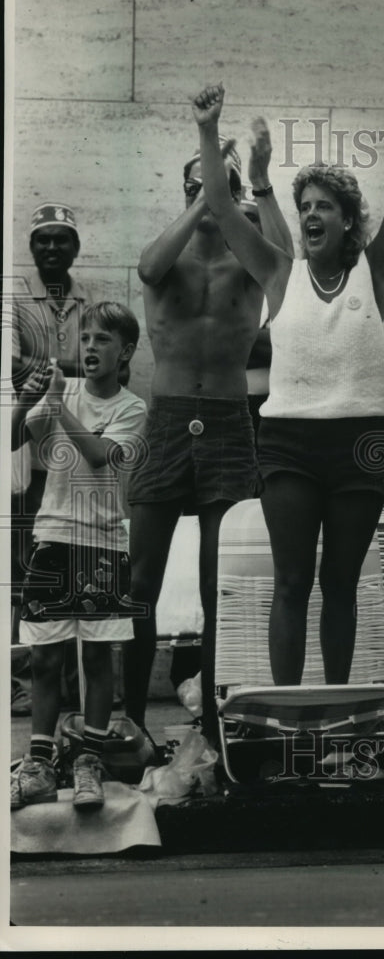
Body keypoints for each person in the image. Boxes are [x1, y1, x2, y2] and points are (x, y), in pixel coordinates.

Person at [193, 72, 384, 685]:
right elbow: (220, 205)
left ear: (349, 221)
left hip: (359, 444)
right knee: (292, 581)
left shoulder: (373, 273)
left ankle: (335, 718)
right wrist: (208, 127)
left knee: (341, 584)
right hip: (289, 445)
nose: (311, 214)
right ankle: (287, 721)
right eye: (305, 207)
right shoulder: (279, 272)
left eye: (325, 206)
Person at [126, 119, 291, 743]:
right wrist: (205, 189)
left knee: (218, 585)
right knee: (140, 581)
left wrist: (257, 184)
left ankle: (219, 724)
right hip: (167, 419)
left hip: (226, 422)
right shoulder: (167, 256)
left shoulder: (247, 268)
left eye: (221, 191)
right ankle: (134, 722)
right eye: (200, 186)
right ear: (189, 190)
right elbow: (146, 268)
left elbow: (286, 263)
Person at [10, 303, 146, 811]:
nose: (90, 347)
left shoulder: (132, 408)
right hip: (54, 537)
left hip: (104, 544)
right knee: (45, 656)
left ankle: (89, 759)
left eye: (103, 340)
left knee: (96, 655)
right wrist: (25, 403)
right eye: (85, 338)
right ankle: (40, 763)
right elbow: (10, 441)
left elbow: (98, 454)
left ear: (125, 351)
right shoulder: (58, 393)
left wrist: (56, 401)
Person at [12, 203, 94, 715]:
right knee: (30, 572)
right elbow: (10, 366)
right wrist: (75, 369)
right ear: (31, 247)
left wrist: (45, 370)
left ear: (75, 247)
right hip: (31, 458)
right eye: (43, 240)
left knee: (75, 572)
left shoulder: (92, 300)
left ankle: (68, 686)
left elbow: (116, 367)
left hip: (79, 457)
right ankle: (26, 682)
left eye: (61, 240)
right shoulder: (17, 300)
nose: (51, 249)